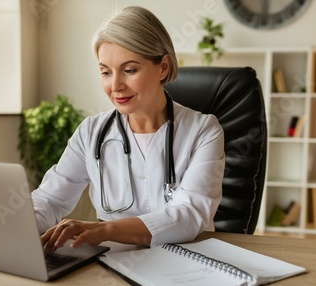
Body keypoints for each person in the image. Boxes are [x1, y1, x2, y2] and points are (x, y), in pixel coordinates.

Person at [32, 6, 225, 253]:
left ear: (163, 67)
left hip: (186, 262)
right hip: (113, 263)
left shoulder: (203, 131)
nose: (115, 86)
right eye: (105, 72)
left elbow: (189, 214)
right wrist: (21, 224)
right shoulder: (91, 132)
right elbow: (50, 199)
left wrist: (104, 230)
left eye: (130, 70)